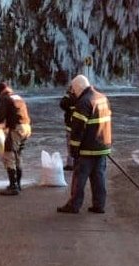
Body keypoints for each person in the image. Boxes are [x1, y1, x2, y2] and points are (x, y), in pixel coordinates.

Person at [57, 75, 112, 214]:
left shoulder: (83, 102)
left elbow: (77, 129)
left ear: (78, 88)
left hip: (87, 148)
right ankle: (99, 205)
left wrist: (74, 150)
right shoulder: (102, 98)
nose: (73, 94)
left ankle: (74, 205)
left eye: (74, 91)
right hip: (102, 146)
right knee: (98, 177)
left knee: (79, 179)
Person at [0, 82, 32, 196]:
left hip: (17, 128)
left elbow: (1, 116)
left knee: (9, 154)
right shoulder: (17, 97)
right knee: (17, 155)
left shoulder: (5, 98)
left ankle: (13, 186)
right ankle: (18, 184)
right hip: (27, 128)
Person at [59, 89, 76, 170]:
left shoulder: (69, 98)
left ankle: (71, 164)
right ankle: (74, 163)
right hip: (80, 126)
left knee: (70, 146)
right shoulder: (84, 98)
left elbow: (62, 104)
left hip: (71, 126)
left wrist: (68, 94)